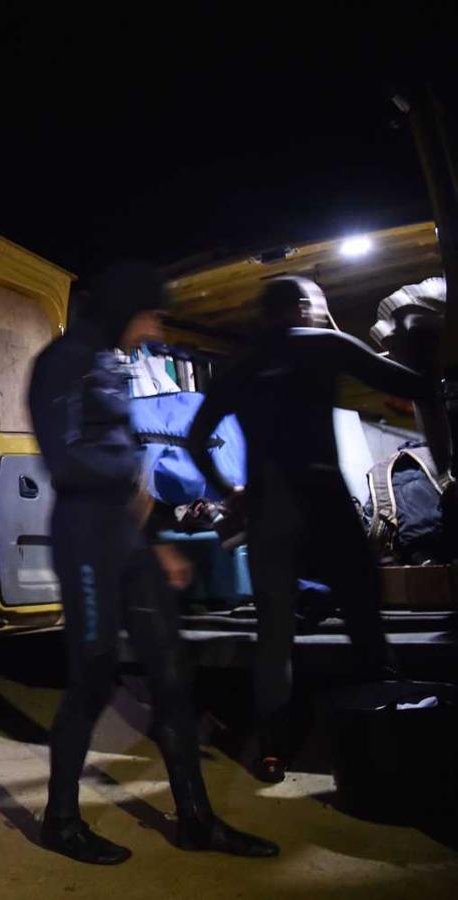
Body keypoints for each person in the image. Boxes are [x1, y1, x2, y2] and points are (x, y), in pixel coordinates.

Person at [27, 262, 279, 865]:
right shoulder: (62, 362)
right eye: (148, 315)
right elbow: (68, 462)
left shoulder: (114, 362)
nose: (152, 328)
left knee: (170, 673)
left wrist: (157, 539)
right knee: (92, 678)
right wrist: (130, 476)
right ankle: (59, 819)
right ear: (121, 309)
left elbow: (126, 454)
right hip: (85, 537)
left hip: (128, 538)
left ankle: (196, 818)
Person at [188, 276, 432, 782]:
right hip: (321, 498)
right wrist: (419, 341)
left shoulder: (241, 363)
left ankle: (273, 749)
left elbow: (196, 437)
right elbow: (410, 385)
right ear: (302, 307)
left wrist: (228, 489)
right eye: (319, 305)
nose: (322, 313)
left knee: (274, 635)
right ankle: (393, 730)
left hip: (267, 507)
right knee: (364, 612)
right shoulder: (325, 343)